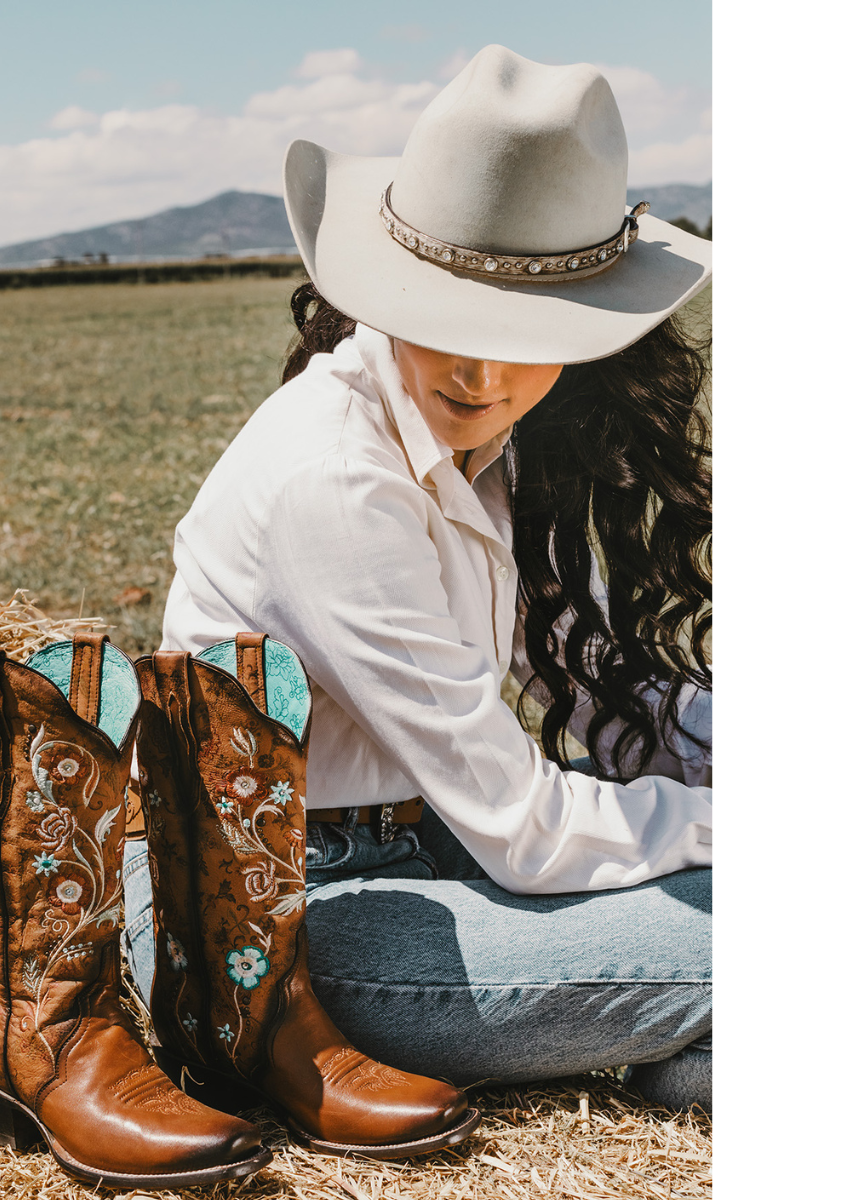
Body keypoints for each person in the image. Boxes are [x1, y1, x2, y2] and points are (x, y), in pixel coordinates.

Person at [123, 44, 713, 1112]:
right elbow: (522, 829)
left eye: (523, 333)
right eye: (446, 315)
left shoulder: (484, 444)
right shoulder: (335, 478)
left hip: (425, 857)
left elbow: (577, 673)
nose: (479, 373)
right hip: (281, 918)